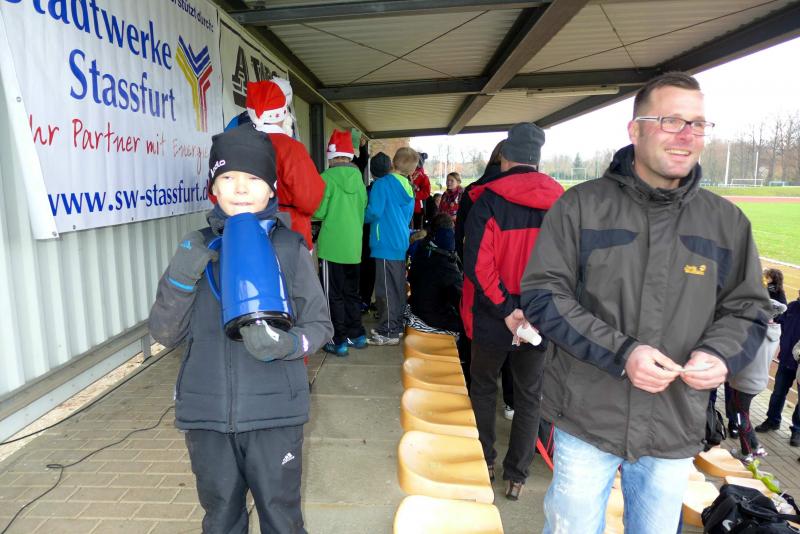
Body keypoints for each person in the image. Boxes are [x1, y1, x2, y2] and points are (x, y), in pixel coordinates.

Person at [519, 72, 770, 533]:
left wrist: (720, 354)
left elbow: (749, 308)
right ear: (635, 130)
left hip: (673, 423)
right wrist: (623, 353)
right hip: (586, 416)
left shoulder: (727, 222)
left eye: (697, 124)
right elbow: (543, 296)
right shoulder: (580, 206)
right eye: (671, 120)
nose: (686, 135)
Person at [149, 125, 332, 534]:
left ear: (272, 187)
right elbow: (165, 332)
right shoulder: (195, 247)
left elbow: (320, 325)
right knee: (221, 520)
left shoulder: (289, 248)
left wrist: (287, 344)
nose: (241, 188)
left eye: (253, 178)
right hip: (208, 417)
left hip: (274, 415)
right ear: (213, 187)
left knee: (282, 519)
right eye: (228, 177)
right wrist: (182, 277)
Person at [462, 122, 564, 501]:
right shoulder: (561, 203)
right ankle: (517, 475)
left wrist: (507, 310)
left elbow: (477, 264)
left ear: (505, 158)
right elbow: (566, 269)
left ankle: (484, 460)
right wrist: (531, 310)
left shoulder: (488, 201)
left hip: (492, 316)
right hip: (538, 319)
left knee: (484, 388)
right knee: (529, 396)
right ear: (537, 159)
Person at [245, 79, 325, 251]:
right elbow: (309, 199)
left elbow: (217, 192)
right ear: (284, 113)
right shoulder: (291, 148)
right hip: (290, 231)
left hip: (247, 232)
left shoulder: (238, 145)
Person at [314, 130, 369, 356]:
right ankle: (357, 334)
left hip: (332, 247)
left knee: (332, 295)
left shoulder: (325, 178)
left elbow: (319, 211)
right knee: (351, 293)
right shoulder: (359, 179)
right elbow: (363, 207)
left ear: (331, 156)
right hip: (354, 247)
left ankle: (337, 340)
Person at [365, 148, 416, 345]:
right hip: (400, 241)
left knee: (385, 289)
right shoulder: (408, 187)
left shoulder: (382, 184)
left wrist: (358, 215)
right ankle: (396, 326)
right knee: (397, 287)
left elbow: (374, 212)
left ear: (393, 162)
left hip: (385, 242)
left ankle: (388, 331)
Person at [729, 298, 786, 461]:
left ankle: (746, 453)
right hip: (758, 381)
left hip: (744, 381)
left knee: (740, 416)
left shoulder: (754, 332)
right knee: (742, 413)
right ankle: (755, 447)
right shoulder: (774, 331)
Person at [756, 287, 800, 445]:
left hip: (799, 364)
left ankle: (797, 430)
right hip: (786, 359)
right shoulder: (792, 307)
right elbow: (777, 321)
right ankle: (772, 420)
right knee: (778, 393)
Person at [408, 213, 463, 333]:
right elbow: (460, 300)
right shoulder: (445, 262)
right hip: (433, 317)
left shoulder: (423, 249)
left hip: (417, 307)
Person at [410, 153, 431, 229]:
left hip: (417, 208)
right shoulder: (407, 174)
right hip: (406, 206)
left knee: (416, 228)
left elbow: (426, 193)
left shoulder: (423, 177)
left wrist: (414, 194)